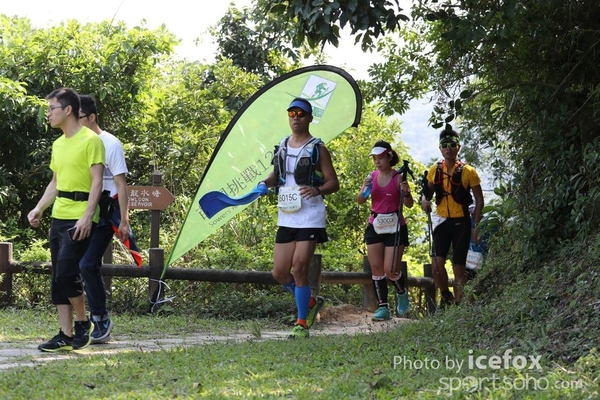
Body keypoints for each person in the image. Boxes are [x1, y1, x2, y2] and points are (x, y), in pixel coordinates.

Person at [27, 88, 105, 352]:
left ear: (68, 110)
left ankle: (83, 322)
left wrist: (87, 216)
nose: (48, 113)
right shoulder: (58, 144)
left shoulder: (91, 141)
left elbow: (97, 182)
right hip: (59, 215)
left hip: (80, 216)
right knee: (58, 277)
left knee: (67, 272)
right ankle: (66, 334)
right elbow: (55, 182)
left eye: (52, 108)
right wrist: (39, 208)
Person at [259, 97, 339, 339]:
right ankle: (311, 302)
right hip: (287, 215)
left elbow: (333, 183)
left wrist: (317, 190)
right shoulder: (282, 146)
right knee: (279, 273)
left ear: (310, 118)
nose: (296, 118)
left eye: (301, 114)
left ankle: (301, 323)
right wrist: (263, 183)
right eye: (292, 113)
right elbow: (276, 175)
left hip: (310, 216)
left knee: (300, 267)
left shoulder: (318, 148)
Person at [78, 94, 140, 344]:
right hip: (83, 212)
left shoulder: (110, 143)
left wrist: (124, 219)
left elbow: (121, 184)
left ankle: (101, 319)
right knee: (75, 264)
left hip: (105, 213)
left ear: (92, 117)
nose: (76, 123)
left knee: (87, 264)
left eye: (80, 118)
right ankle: (79, 322)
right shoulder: (76, 142)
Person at [421, 129, 484, 307]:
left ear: (458, 147)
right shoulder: (435, 170)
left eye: (452, 145)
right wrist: (425, 201)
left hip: (461, 222)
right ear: (440, 148)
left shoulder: (469, 171)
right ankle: (446, 295)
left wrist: (476, 225)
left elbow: (479, 200)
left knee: (459, 267)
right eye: (444, 145)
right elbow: (427, 193)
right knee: (436, 265)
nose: (448, 148)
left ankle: (459, 305)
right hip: (441, 222)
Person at [357, 140, 414, 321]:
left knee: (390, 269)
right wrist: (365, 188)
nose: (377, 161)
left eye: (380, 157)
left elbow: (409, 204)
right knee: (376, 268)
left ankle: (401, 292)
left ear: (389, 157)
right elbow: (360, 200)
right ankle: (383, 308)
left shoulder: (398, 178)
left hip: (395, 226)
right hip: (375, 224)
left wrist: (406, 192)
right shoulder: (371, 177)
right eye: (374, 158)